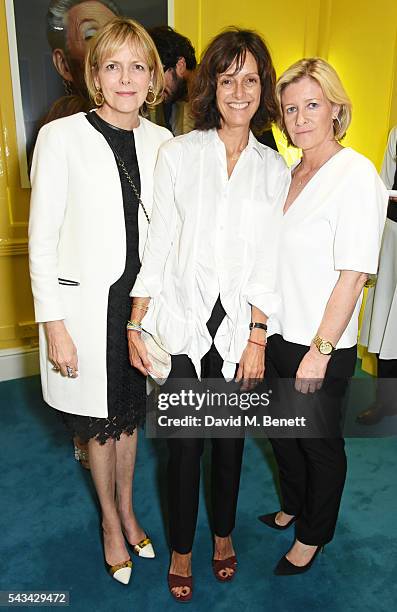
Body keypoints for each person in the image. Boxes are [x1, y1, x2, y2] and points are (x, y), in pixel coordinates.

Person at [128, 27, 289, 602]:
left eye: (250, 79)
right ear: (211, 87)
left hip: (239, 331)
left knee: (229, 443)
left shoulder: (276, 170)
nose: (239, 91)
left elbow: (271, 259)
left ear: (262, 88)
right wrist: (136, 320)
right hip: (178, 323)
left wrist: (257, 335)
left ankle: (221, 537)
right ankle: (180, 547)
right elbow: (160, 241)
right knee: (184, 447)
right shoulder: (180, 154)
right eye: (228, 79)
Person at [29, 17, 171, 584]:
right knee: (96, 420)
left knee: (130, 417)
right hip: (86, 311)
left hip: (140, 309)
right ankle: (111, 523)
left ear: (155, 77)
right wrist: (54, 326)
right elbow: (41, 240)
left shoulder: (164, 142)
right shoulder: (61, 137)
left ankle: (130, 508)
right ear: (94, 75)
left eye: (139, 65)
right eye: (113, 65)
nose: (126, 78)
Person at [258, 58, 388, 574]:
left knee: (318, 444)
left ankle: (314, 533)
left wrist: (321, 351)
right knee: (280, 432)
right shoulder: (292, 173)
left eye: (312, 105)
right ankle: (293, 504)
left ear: (336, 108)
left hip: (319, 342)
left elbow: (353, 275)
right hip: (276, 333)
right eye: (291, 109)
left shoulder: (354, 175)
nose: (300, 118)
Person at [358, 124, 397, 424]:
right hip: (393, 236)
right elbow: (384, 186)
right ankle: (385, 402)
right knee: (386, 325)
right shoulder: (396, 132)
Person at [43, 0, 120, 123]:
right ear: (63, 64)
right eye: (91, 35)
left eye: (116, 35)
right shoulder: (59, 134)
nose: (110, 45)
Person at [148, 25, 196, 135]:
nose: (152, 85)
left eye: (158, 75)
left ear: (180, 65)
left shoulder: (215, 97)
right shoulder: (167, 103)